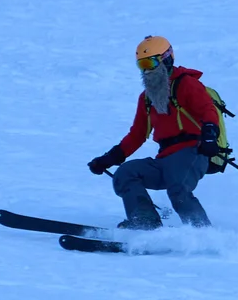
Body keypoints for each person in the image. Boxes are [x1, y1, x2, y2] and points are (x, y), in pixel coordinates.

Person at [87, 36, 225, 229]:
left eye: (150, 62)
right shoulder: (146, 98)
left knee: (178, 189)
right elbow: (137, 134)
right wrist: (109, 158)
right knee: (126, 173)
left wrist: (210, 134)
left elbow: (207, 110)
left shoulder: (186, 84)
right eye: (141, 64)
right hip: (164, 160)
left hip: (192, 152)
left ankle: (203, 234)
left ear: (167, 58)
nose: (147, 70)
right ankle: (146, 223)